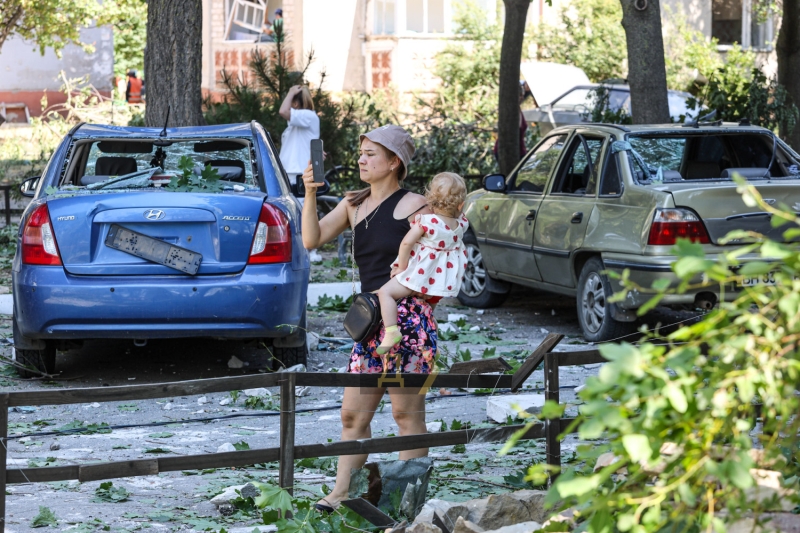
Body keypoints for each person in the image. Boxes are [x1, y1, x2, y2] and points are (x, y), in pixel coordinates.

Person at [300, 125, 435, 513]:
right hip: (369, 321)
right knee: (352, 413)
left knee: (405, 414)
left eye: (372, 154)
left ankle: (405, 500)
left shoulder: (417, 206)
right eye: (361, 152)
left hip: (407, 322)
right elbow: (312, 239)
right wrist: (310, 192)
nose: (362, 159)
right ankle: (342, 493)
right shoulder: (353, 204)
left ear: (395, 162)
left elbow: (436, 261)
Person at [375, 173, 469, 356]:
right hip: (438, 285)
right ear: (460, 205)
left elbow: (406, 243)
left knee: (384, 292)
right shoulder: (461, 224)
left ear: (430, 201)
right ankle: (429, 340)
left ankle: (392, 331)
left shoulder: (427, 222)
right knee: (427, 313)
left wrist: (401, 267)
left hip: (419, 277)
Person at [278, 85, 320, 186]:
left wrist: (291, 92)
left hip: (298, 173)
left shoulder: (308, 116)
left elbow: (283, 111)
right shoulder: (299, 122)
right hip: (292, 173)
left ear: (295, 104)